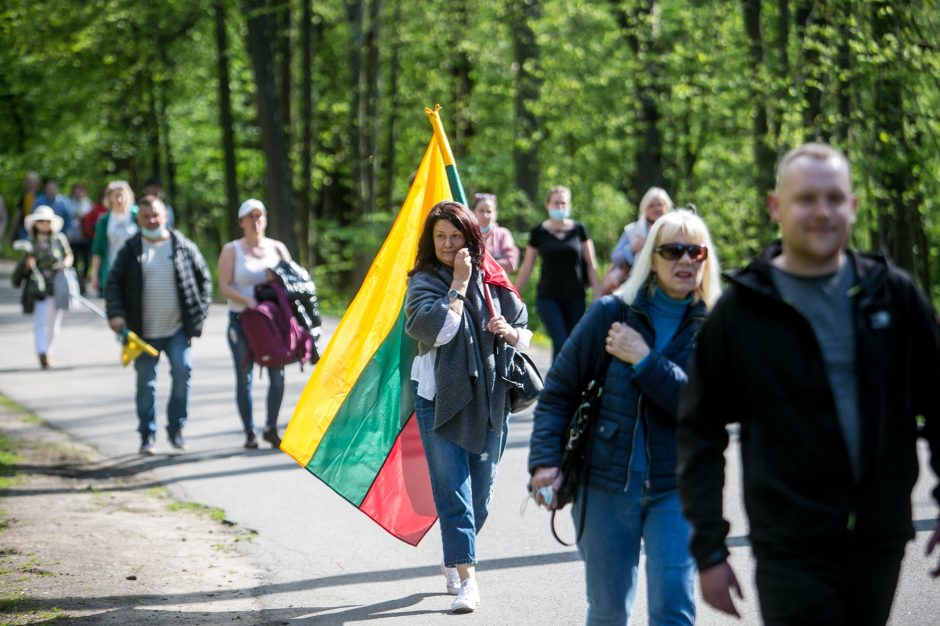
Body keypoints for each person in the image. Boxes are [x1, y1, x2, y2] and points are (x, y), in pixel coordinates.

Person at [676, 143, 940, 626]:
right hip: (788, 545)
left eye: (834, 198)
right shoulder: (743, 311)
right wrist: (709, 549)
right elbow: (700, 432)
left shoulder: (894, 295)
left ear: (853, 207)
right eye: (806, 199)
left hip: (878, 536)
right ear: (776, 207)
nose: (822, 211)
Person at [529, 210, 721, 626]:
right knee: (609, 611)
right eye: (673, 251)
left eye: (696, 251)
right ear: (652, 258)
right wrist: (545, 461)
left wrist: (645, 360)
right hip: (605, 486)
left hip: (678, 489)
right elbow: (558, 392)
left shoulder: (717, 329)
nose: (686, 260)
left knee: (674, 610)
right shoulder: (609, 314)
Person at [405, 201, 531, 614]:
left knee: (481, 493)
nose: (446, 243)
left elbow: (524, 328)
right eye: (439, 236)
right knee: (452, 490)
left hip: (490, 397)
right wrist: (458, 285)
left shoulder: (492, 275)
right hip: (437, 399)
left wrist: (510, 331)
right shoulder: (423, 280)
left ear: (470, 238)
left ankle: (455, 554)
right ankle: (467, 580)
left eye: (455, 236)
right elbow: (436, 331)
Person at [105, 195, 212, 455]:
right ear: (138, 218)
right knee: (146, 384)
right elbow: (113, 285)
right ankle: (147, 435)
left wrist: (199, 313)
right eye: (145, 216)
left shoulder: (182, 245)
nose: (151, 220)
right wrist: (116, 315)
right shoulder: (130, 249)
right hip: (142, 333)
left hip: (177, 330)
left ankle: (176, 429)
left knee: (183, 371)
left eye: (156, 215)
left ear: (165, 216)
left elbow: (205, 280)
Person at [217, 198, 293, 449]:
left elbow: (293, 282)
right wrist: (248, 300)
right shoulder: (232, 250)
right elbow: (224, 286)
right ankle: (249, 431)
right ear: (241, 222)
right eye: (250, 216)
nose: (255, 221)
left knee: (278, 374)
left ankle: (271, 427)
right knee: (244, 375)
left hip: (272, 323)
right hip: (242, 319)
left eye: (259, 215)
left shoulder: (278, 248)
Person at [514, 185, 602, 359]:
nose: (560, 206)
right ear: (547, 205)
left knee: (572, 343)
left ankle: (568, 384)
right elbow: (527, 266)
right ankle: (556, 385)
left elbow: (591, 264)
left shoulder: (579, 230)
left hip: (576, 297)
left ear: (569, 205)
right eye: (556, 203)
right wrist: (514, 293)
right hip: (548, 297)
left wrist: (598, 295)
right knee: (560, 339)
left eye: (563, 203)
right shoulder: (538, 232)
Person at [11, 206, 74, 369]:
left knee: (55, 322)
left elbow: (69, 256)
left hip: (57, 285)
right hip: (38, 287)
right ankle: (42, 353)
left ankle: (48, 351)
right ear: (35, 223)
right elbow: (22, 267)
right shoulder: (30, 242)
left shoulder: (59, 239)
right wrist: (28, 264)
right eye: (41, 221)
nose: (44, 224)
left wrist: (64, 264)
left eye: (47, 221)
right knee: (41, 321)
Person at [602, 187, 673, 294]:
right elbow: (615, 257)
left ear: (666, 207)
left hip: (667, 284)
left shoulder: (675, 231)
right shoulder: (632, 230)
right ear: (644, 208)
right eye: (651, 205)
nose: (656, 209)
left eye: (659, 205)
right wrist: (632, 248)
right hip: (636, 285)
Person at [90, 180, 138, 296]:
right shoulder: (104, 220)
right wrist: (94, 275)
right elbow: (98, 250)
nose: (119, 199)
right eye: (116, 196)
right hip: (112, 270)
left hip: (136, 271)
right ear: (109, 198)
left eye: (122, 195)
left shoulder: (138, 215)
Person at [471, 192, 519, 274]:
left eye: (489, 211)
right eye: (481, 211)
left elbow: (511, 263)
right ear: (473, 211)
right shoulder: (468, 234)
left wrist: (482, 264)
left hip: (496, 284)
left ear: (495, 213)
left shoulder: (503, 234)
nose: (485, 215)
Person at [65, 183, 93, 292]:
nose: (78, 193)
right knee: (75, 261)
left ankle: (83, 281)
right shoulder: (68, 203)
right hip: (73, 237)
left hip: (85, 237)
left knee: (86, 261)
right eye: (76, 190)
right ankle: (75, 283)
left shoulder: (88, 203)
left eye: (80, 190)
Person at [9, 171, 39, 242]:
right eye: (29, 182)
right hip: (23, 227)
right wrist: (12, 232)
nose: (30, 184)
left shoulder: (40, 197)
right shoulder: (23, 197)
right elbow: (17, 215)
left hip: (37, 228)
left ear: (37, 183)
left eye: (32, 182)